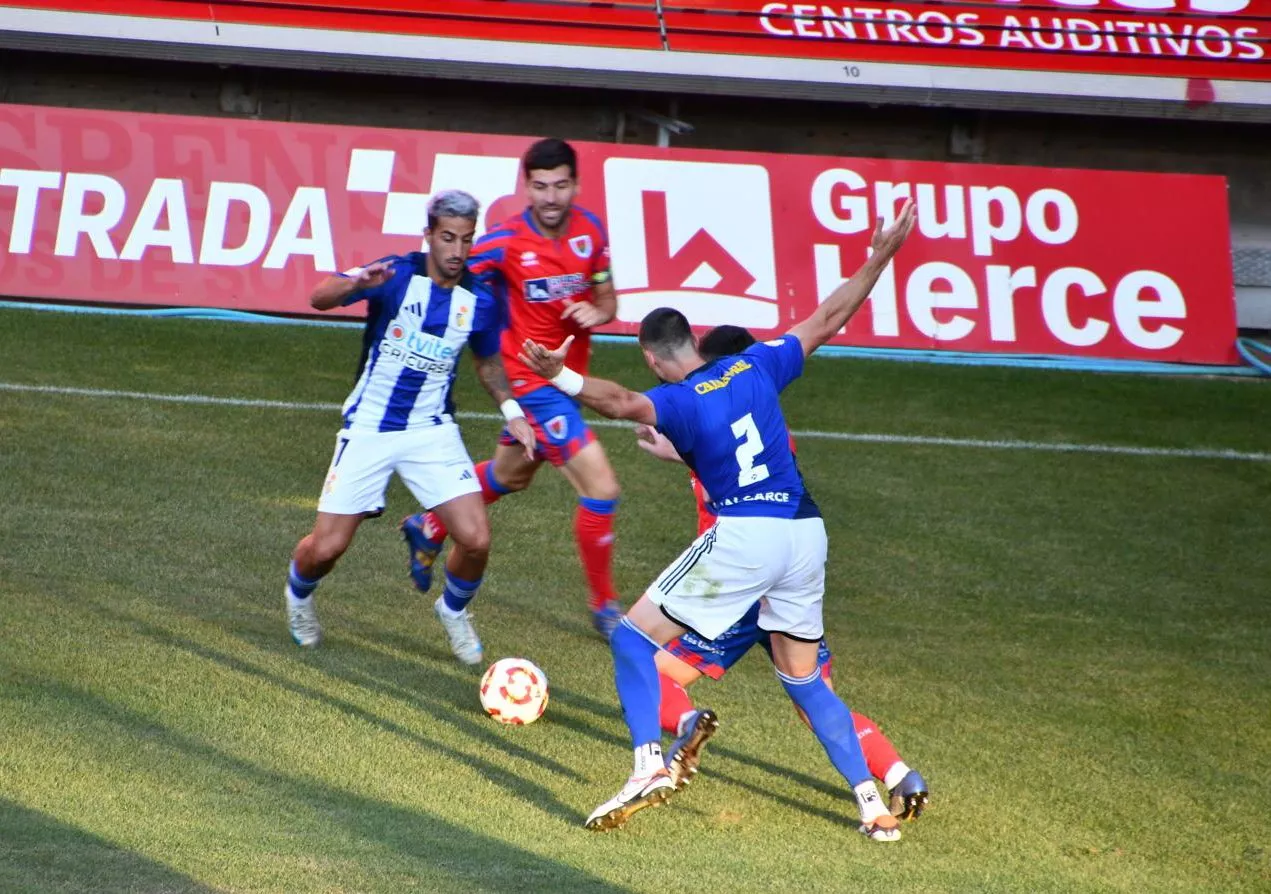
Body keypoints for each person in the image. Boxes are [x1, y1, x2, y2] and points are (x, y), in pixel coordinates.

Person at [517, 199, 918, 837]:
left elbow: (618, 403)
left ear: (654, 357)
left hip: (746, 537)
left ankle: (648, 763)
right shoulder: (758, 363)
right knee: (806, 679)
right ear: (696, 342)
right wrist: (883, 253)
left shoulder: (676, 402)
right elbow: (831, 313)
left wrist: (558, 374)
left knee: (631, 638)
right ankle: (874, 809)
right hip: (807, 537)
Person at [638, 324, 930, 821]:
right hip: (789, 582)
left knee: (651, 667)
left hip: (737, 585)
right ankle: (900, 774)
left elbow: (718, 484)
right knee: (816, 702)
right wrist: (678, 453)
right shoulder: (764, 424)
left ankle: (686, 729)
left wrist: (680, 450)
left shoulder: (711, 418)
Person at [283, 190, 535, 666]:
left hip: (431, 430)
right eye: (447, 238)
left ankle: (453, 610)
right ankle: (299, 598)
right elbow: (319, 298)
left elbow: (487, 362)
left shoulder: (479, 298)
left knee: (476, 538)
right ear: (429, 236)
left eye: (465, 239)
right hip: (370, 428)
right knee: (328, 547)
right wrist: (358, 280)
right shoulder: (395, 274)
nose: (457, 250)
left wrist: (513, 411)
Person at [400, 138, 625, 637]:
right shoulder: (503, 241)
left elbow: (609, 297)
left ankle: (430, 523)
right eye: (540, 186)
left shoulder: (592, 233)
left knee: (511, 476)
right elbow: (449, 272)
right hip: (529, 379)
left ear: (576, 185)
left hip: (566, 380)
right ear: (527, 187)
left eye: (561, 185)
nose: (550, 197)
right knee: (602, 488)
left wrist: (599, 311)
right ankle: (605, 606)